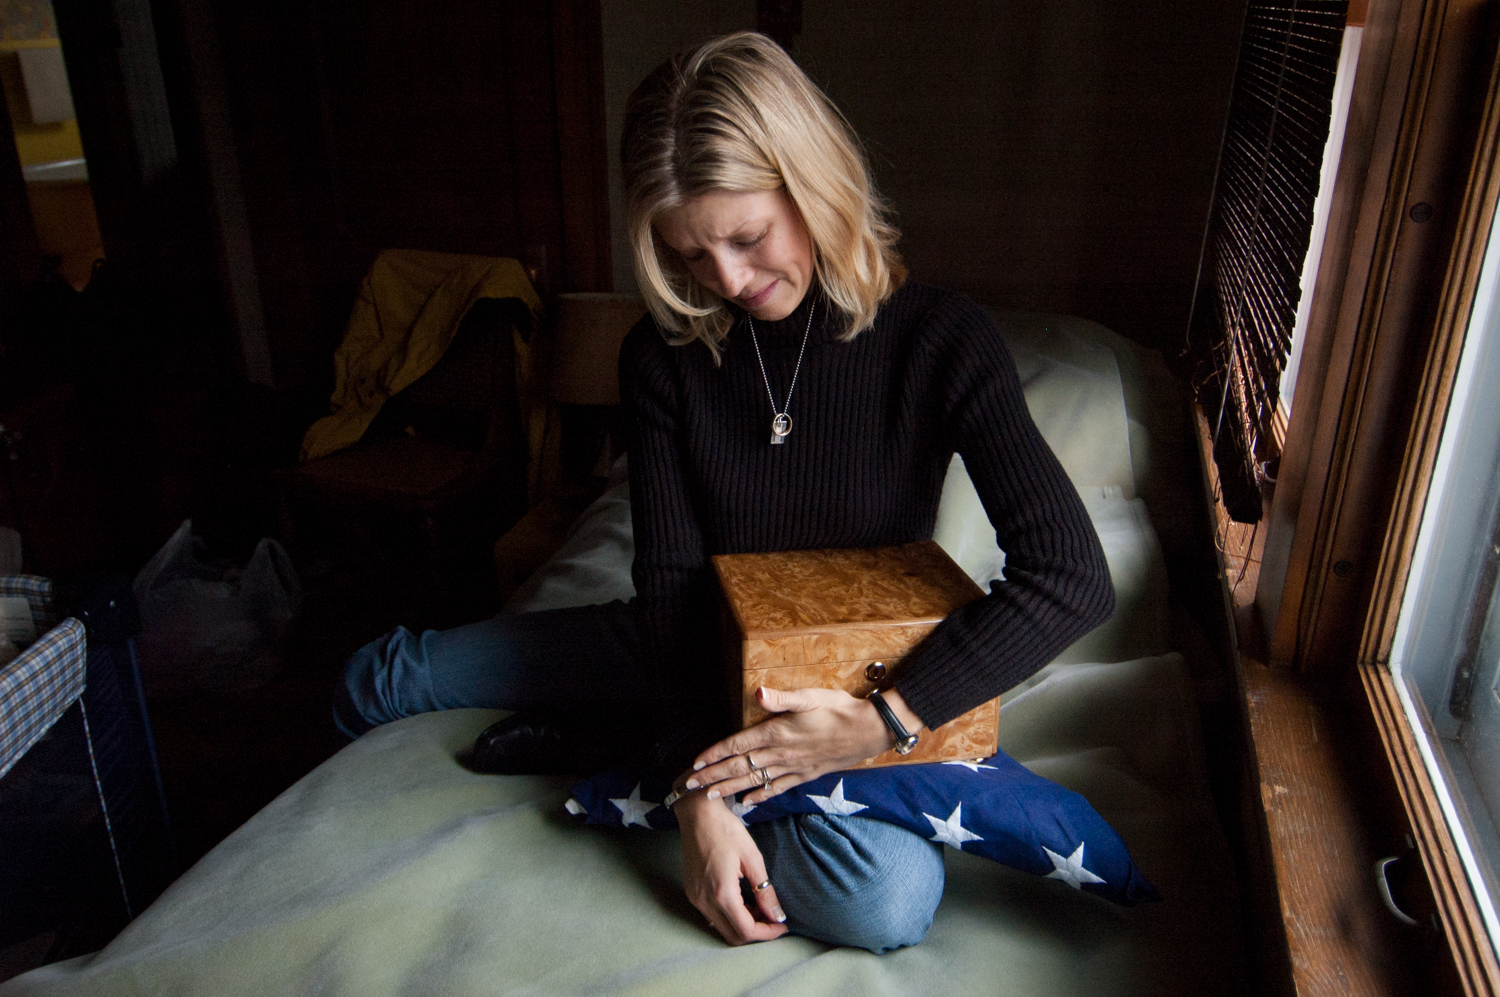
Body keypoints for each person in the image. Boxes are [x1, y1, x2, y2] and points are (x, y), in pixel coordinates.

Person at [335, 31, 1113, 954]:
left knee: (886, 903)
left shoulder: (943, 342)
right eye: (689, 257)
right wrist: (699, 793)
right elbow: (669, 596)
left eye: (746, 238)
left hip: (834, 690)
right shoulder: (662, 361)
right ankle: (632, 741)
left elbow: (1072, 578)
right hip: (681, 650)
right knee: (383, 678)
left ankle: (606, 742)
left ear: (813, 183)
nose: (729, 282)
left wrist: (880, 722)